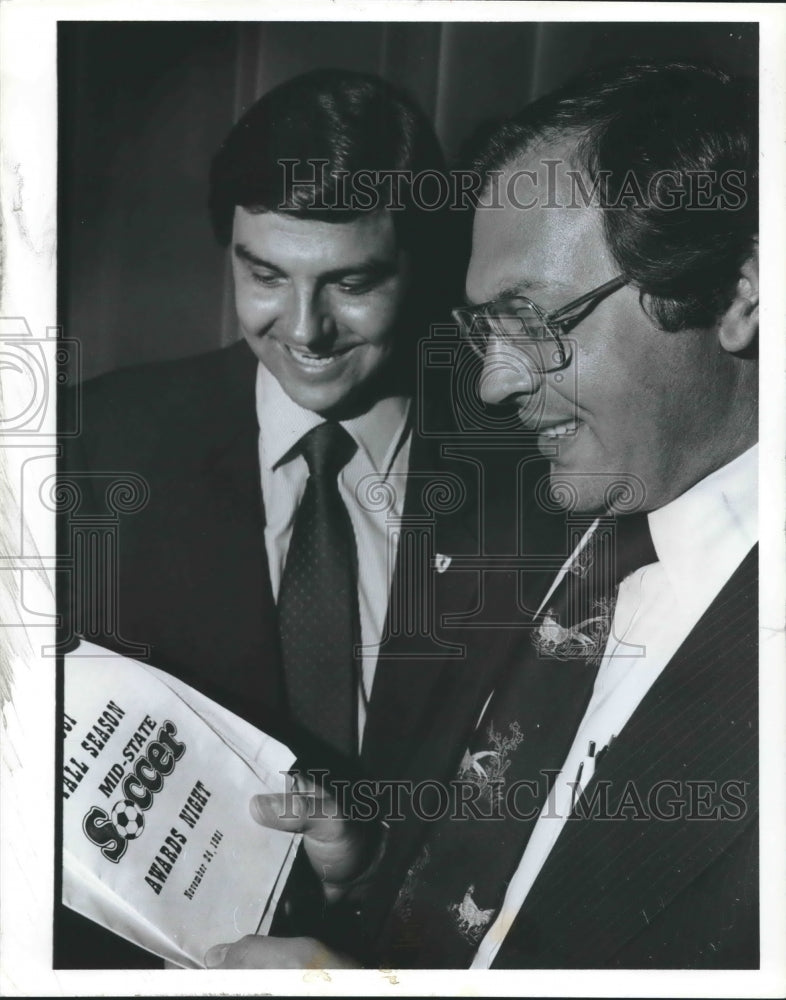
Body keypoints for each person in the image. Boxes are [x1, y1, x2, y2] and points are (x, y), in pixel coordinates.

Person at [208, 59, 759, 970]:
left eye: (539, 322)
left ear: (744, 290)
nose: (497, 384)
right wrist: (364, 879)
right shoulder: (547, 520)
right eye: (483, 329)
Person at [57, 67, 526, 967]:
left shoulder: (531, 466)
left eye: (353, 282)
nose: (304, 330)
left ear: (421, 267)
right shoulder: (91, 447)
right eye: (265, 274)